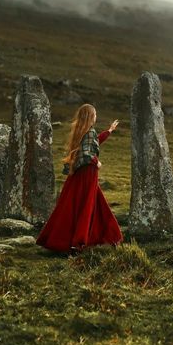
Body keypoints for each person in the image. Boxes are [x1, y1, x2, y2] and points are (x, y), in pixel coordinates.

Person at [36, 103, 123, 253]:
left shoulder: (80, 132)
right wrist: (97, 162)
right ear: (91, 117)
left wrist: (109, 131)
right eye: (95, 115)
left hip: (78, 175)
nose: (96, 117)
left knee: (76, 205)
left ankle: (66, 239)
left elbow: (93, 142)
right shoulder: (89, 133)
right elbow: (88, 153)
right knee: (87, 205)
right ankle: (81, 241)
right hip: (88, 174)